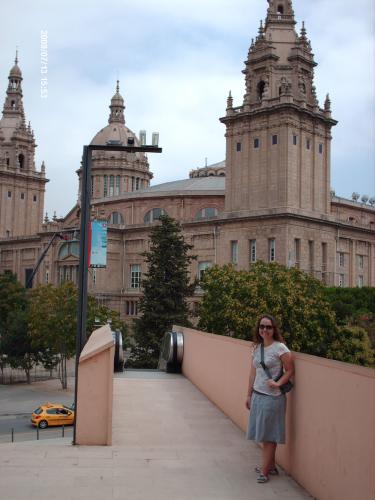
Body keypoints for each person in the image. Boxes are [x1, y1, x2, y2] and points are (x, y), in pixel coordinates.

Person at [245, 314, 294, 483]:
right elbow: (253, 373)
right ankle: (271, 466)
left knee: (268, 437)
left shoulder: (280, 348)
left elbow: (290, 370)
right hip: (258, 395)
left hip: (273, 398)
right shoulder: (256, 348)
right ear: (258, 329)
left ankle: (265, 471)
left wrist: (278, 383)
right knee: (264, 434)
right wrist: (248, 394)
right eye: (262, 327)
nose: (264, 330)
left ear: (274, 329)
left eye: (268, 327)